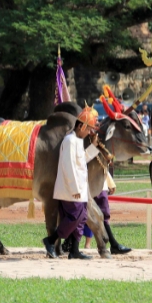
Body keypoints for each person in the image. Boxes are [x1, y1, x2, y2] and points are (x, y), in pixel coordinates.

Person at [42, 105, 101, 260]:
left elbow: (82, 161)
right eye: (88, 129)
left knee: (81, 220)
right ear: (81, 126)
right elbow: (68, 166)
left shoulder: (78, 141)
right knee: (74, 218)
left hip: (79, 189)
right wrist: (74, 188)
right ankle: (50, 240)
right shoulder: (69, 140)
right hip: (70, 190)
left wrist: (94, 147)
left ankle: (74, 250)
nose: (89, 132)